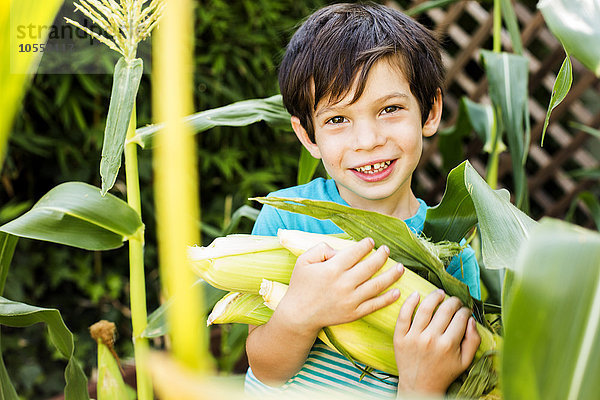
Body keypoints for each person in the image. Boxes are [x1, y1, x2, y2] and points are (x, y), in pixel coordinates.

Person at [245, 3, 481, 398]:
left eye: (390, 109)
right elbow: (266, 369)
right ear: (308, 137)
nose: (368, 141)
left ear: (430, 111)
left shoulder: (453, 256)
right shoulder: (285, 224)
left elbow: (457, 379)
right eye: (337, 120)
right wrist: (302, 314)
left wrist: (421, 385)